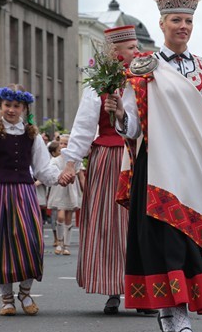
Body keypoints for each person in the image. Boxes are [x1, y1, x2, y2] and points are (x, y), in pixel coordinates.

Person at [109, 0, 202, 332]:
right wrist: (119, 115)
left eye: (187, 22)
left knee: (192, 240)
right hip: (158, 165)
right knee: (167, 241)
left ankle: (175, 311)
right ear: (162, 25)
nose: (182, 27)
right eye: (175, 21)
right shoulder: (144, 67)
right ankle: (177, 313)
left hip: (197, 166)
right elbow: (133, 124)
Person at [57, 25, 144, 315]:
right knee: (109, 225)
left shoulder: (146, 80)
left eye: (136, 47)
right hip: (108, 158)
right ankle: (112, 288)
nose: (137, 52)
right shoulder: (101, 85)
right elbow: (83, 127)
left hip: (139, 155)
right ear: (115, 52)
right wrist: (71, 162)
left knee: (140, 225)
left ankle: (143, 287)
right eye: (131, 48)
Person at [0, 84, 59, 316]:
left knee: (31, 242)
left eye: (16, 105)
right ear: (0, 106)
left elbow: (43, 167)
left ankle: (26, 292)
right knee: (1, 245)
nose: (11, 110)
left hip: (24, 192)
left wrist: (59, 178)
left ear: (24, 108)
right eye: (7, 105)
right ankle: (7, 298)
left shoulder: (32, 135)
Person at [48, 137, 83, 256]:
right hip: (59, 188)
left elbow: (80, 176)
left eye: (66, 143)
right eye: (61, 143)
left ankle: (66, 245)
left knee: (69, 216)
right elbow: (51, 172)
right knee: (60, 215)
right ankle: (59, 242)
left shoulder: (76, 160)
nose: (63, 145)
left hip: (71, 189)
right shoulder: (55, 160)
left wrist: (85, 190)